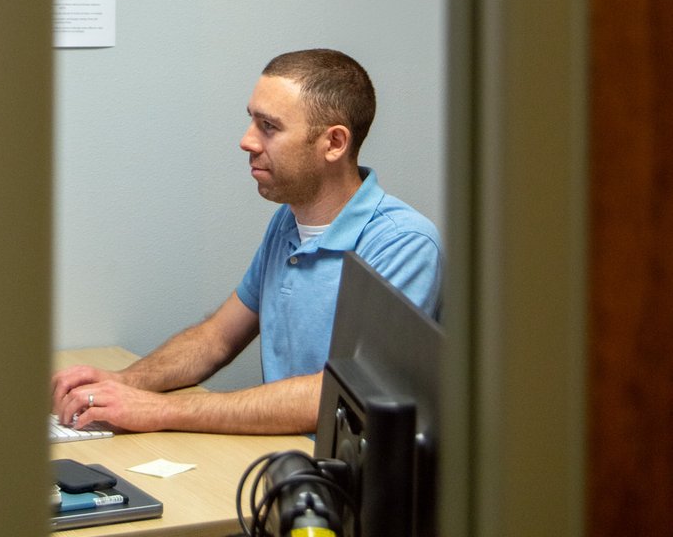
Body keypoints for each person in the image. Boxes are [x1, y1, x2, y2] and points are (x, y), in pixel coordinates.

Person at [51, 49, 442, 436]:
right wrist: (127, 384)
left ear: (334, 143)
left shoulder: (403, 243)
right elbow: (217, 337)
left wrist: (162, 409)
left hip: (348, 486)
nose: (247, 141)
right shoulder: (288, 222)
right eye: (251, 121)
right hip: (282, 466)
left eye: (269, 127)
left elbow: (339, 396)